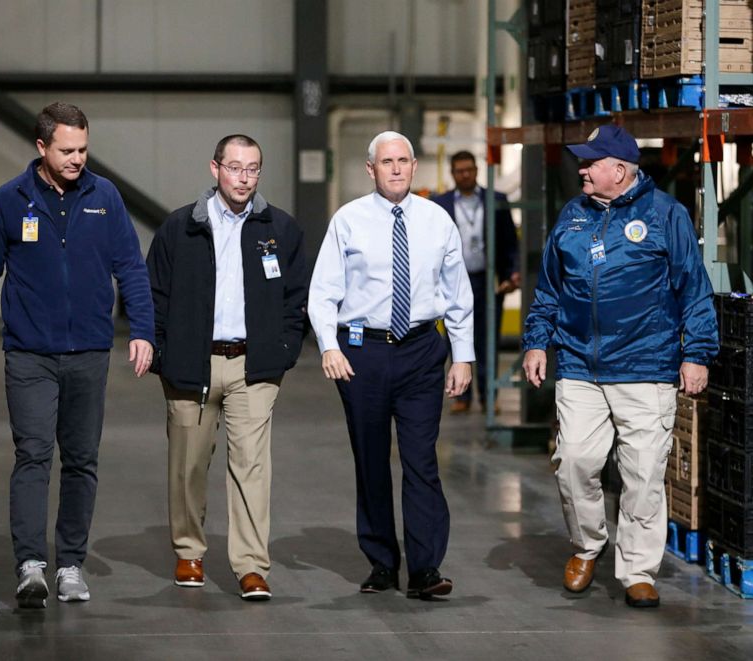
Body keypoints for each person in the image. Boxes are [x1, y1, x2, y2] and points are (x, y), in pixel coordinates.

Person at [0, 102, 154, 608]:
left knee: (82, 461)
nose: (77, 159)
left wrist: (143, 331)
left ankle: (70, 564)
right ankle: (30, 565)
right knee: (33, 455)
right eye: (67, 150)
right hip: (29, 355)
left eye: (83, 149)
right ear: (41, 147)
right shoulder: (10, 200)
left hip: (89, 352)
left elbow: (131, 267)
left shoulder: (104, 197)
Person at [521, 125, 718, 608]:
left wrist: (697, 353)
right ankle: (588, 545)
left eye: (591, 163)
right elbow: (549, 288)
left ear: (620, 170)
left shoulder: (665, 215)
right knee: (574, 463)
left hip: (646, 365)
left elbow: (693, 287)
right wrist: (536, 343)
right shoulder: (572, 216)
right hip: (579, 365)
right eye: (582, 163)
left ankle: (637, 570)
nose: (582, 170)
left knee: (644, 474)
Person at [308, 131, 474, 600]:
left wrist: (463, 355)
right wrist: (329, 346)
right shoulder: (349, 221)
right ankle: (382, 562)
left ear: (415, 165)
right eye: (387, 162)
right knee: (372, 458)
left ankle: (425, 567)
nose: (396, 169)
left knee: (422, 460)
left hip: (422, 350)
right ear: (371, 169)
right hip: (363, 353)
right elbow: (323, 291)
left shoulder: (437, 221)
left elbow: (458, 293)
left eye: (403, 160)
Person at [146, 134, 306, 601]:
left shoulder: (280, 229)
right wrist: (162, 354)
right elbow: (153, 294)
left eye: (253, 168)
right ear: (215, 169)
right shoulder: (181, 228)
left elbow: (297, 297)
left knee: (252, 468)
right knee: (188, 466)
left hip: (253, 367)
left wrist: (283, 350)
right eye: (235, 168)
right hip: (190, 367)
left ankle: (252, 566)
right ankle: (189, 552)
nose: (244, 177)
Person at [431, 151, 520, 413]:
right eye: (459, 171)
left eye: (469, 169)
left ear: (477, 170)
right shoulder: (440, 204)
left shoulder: (496, 200)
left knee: (487, 339)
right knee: (454, 337)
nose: (465, 174)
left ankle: (488, 396)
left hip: (488, 281)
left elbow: (511, 244)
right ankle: (462, 396)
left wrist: (510, 273)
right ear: (452, 173)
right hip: (452, 282)